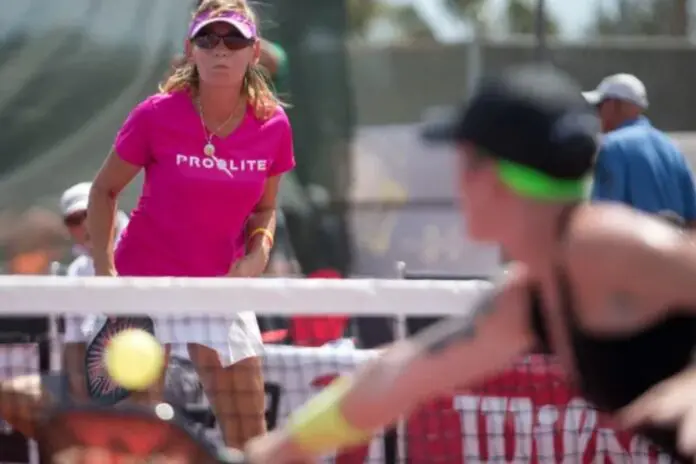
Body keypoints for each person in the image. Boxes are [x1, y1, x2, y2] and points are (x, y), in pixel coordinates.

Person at [243, 65, 696, 464]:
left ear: (494, 177)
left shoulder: (602, 248)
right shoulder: (530, 295)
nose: (455, 181)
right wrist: (285, 447)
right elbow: (400, 375)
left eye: (462, 163)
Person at [85, 0, 294, 450]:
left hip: (219, 290)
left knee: (250, 438)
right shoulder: (155, 114)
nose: (221, 49)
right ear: (191, 49)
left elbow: (264, 210)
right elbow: (103, 192)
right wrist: (107, 281)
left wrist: (257, 255)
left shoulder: (273, 124)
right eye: (208, 38)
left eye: (234, 38)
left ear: (254, 52)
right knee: (139, 442)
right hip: (142, 287)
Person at [583, 73, 696, 227]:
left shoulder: (612, 146)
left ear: (614, 105)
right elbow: (692, 218)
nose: (597, 114)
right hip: (673, 247)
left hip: (630, 249)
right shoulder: (671, 147)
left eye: (599, 106)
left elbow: (604, 218)